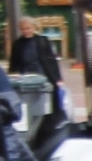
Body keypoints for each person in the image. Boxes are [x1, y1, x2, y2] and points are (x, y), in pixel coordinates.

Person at [10, 17, 65, 145]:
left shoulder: (42, 41)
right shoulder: (17, 44)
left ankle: (50, 129)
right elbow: (14, 63)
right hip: (26, 75)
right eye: (23, 29)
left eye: (28, 28)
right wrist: (13, 76)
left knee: (49, 106)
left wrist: (57, 78)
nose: (26, 31)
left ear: (34, 28)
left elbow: (52, 61)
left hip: (43, 73)